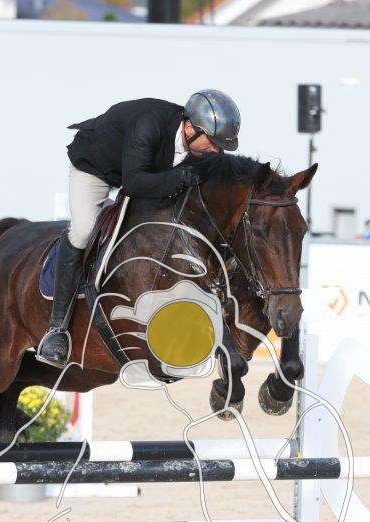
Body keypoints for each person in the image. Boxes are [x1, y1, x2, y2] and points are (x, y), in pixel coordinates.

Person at [35, 90, 242, 368]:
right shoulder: (149, 124)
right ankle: (57, 330)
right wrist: (180, 177)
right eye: (213, 143)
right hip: (97, 167)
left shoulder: (201, 146)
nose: (217, 151)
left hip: (146, 174)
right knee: (83, 229)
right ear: (190, 128)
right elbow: (133, 183)